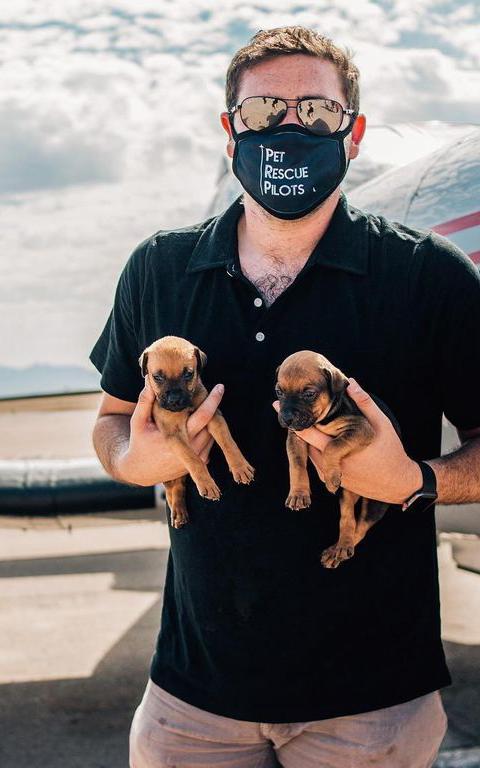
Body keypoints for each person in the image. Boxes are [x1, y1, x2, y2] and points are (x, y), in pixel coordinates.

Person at [89, 26, 480, 768]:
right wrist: (131, 460)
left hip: (376, 712)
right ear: (230, 133)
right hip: (191, 707)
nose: (290, 127)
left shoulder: (432, 276)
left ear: (354, 133)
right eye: (265, 110)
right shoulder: (156, 268)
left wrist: (418, 480)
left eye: (317, 112)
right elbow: (110, 422)